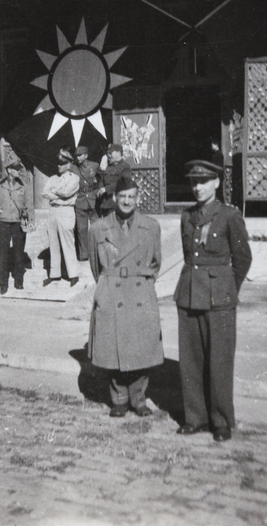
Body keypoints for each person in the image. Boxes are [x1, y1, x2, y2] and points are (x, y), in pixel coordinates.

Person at [174, 159, 252, 442]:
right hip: (189, 294)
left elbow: (243, 259)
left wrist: (227, 289)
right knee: (191, 361)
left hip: (220, 299)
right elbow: (188, 256)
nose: (197, 187)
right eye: (193, 182)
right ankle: (195, 417)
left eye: (203, 181)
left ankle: (221, 420)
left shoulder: (229, 215)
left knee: (219, 361)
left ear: (217, 183)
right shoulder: (186, 216)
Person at [88, 176, 163, 418]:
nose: (127, 201)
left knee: (142, 346)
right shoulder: (99, 228)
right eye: (123, 197)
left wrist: (141, 281)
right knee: (113, 348)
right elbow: (94, 266)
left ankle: (139, 399)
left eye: (132, 197)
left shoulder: (151, 226)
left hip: (139, 289)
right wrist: (107, 286)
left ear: (138, 199)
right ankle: (119, 399)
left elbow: (155, 262)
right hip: (112, 289)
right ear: (114, 198)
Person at [0, 157, 35, 295]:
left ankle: (19, 282)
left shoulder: (24, 185)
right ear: (9, 170)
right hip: (4, 223)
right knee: (3, 255)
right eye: (16, 169)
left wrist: (31, 221)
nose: (19, 171)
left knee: (19, 254)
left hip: (18, 223)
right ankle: (3, 284)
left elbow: (29, 205)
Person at [42, 147, 80, 287]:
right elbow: (44, 192)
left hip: (66, 212)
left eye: (62, 163)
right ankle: (54, 274)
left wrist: (54, 192)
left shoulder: (74, 178)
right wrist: (58, 195)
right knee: (54, 243)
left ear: (69, 164)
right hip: (53, 212)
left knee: (68, 243)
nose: (59, 165)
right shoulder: (52, 178)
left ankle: (73, 274)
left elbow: (66, 193)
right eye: (58, 163)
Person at [73, 145, 100, 261]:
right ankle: (84, 254)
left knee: (96, 227)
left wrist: (99, 190)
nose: (78, 158)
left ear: (86, 155)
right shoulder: (73, 168)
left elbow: (101, 180)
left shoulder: (94, 166)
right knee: (81, 229)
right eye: (77, 156)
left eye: (80, 155)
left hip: (93, 199)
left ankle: (97, 253)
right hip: (80, 199)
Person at [97, 143, 132, 216]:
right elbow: (102, 179)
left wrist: (106, 189)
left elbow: (124, 183)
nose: (108, 156)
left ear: (118, 153)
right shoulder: (109, 167)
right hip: (106, 203)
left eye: (110, 153)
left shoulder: (125, 167)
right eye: (108, 153)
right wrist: (100, 188)